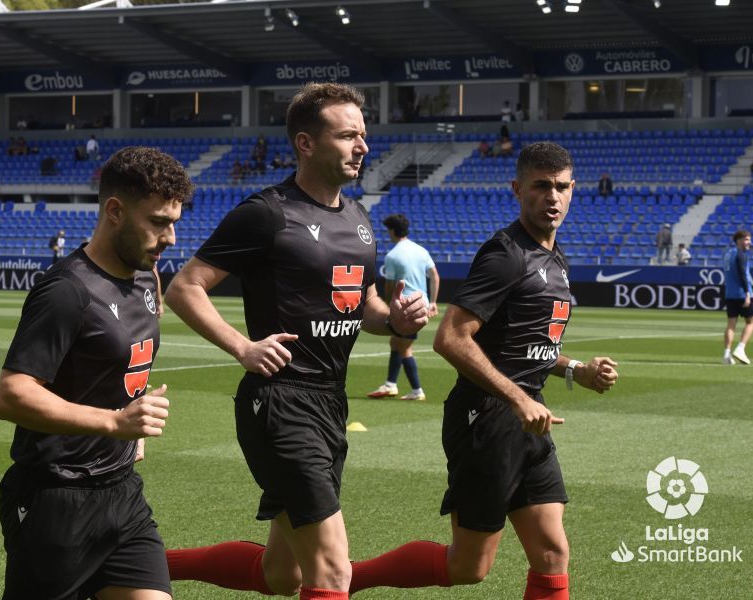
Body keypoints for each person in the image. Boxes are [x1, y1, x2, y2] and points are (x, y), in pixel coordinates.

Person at [163, 82, 428, 600]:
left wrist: (398, 320)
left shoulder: (360, 220)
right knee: (332, 573)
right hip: (280, 403)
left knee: (283, 576)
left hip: (330, 402)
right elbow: (184, 287)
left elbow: (365, 307)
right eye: (348, 135)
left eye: (364, 136)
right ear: (306, 143)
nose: (363, 147)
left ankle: (130, 564)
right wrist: (243, 347)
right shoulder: (267, 213)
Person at [348, 141, 619, 600]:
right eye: (540, 186)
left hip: (529, 419)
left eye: (561, 187)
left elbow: (526, 347)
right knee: (469, 566)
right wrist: (517, 398)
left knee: (553, 552)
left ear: (574, 190)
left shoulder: (556, 259)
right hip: (487, 417)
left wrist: (576, 369)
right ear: (517, 189)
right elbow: (450, 337)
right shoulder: (506, 254)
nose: (552, 197)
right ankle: (345, 578)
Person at [0, 146, 194, 600]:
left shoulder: (146, 278)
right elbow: (11, 394)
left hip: (122, 494)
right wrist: (115, 423)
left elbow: (115, 365)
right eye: (159, 222)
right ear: (116, 211)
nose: (172, 238)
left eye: (175, 222)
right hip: (56, 498)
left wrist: (130, 428)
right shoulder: (67, 290)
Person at [368, 213, 440, 401]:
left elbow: (390, 285)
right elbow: (434, 275)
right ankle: (391, 384)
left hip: (405, 308)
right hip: (420, 303)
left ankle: (417, 390)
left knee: (404, 348)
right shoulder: (421, 250)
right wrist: (432, 302)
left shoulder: (393, 255)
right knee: (396, 342)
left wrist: (385, 304)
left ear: (392, 230)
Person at [723, 230, 753, 365]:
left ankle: (726, 354)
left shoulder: (728, 253)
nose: (749, 242)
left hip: (729, 293)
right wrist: (748, 293)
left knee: (731, 324)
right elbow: (742, 274)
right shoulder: (741, 255)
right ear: (739, 241)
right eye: (747, 240)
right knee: (752, 322)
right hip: (742, 293)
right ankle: (741, 348)